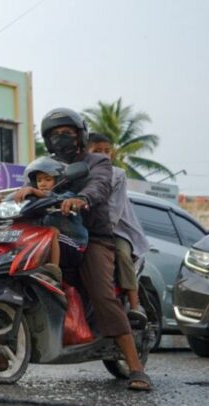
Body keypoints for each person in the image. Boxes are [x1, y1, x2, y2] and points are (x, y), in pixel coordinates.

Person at [35, 107, 152, 391]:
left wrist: (81, 199)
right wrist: (19, 193)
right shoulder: (47, 165)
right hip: (54, 232)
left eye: (67, 133)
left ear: (80, 135)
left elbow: (99, 186)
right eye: (55, 135)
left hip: (93, 237)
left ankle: (136, 368)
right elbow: (35, 184)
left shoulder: (97, 161)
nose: (61, 139)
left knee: (102, 294)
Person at [87, 132, 150, 325]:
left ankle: (134, 304)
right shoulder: (80, 173)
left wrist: (100, 231)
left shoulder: (117, 174)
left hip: (117, 230)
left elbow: (114, 210)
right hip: (88, 229)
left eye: (107, 151)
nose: (104, 155)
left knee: (122, 254)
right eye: (97, 151)